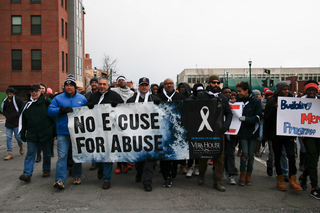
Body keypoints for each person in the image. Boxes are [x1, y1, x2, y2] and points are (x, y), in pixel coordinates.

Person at [48, 74, 87, 189]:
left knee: (77, 155)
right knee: (62, 156)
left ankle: (77, 175)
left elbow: (88, 112)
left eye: (71, 85)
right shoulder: (58, 98)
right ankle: (60, 179)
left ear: (75, 87)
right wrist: (60, 110)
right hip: (62, 132)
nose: (69, 87)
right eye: (67, 85)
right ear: (64, 87)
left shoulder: (82, 99)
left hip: (77, 132)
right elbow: (50, 111)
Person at [196, 75, 233, 192]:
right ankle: (201, 174)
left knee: (219, 156)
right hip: (204, 131)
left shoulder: (223, 98)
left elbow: (229, 113)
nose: (216, 85)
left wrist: (225, 126)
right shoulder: (201, 95)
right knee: (203, 154)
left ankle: (217, 181)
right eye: (213, 82)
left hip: (218, 132)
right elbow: (195, 110)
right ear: (208, 83)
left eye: (218, 83)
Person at [87, 76, 124, 189]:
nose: (102, 86)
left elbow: (124, 109)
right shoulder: (93, 96)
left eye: (104, 84)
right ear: (97, 85)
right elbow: (85, 111)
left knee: (108, 153)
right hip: (97, 129)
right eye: (100, 84)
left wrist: (116, 106)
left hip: (110, 130)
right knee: (98, 152)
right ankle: (100, 167)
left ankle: (106, 179)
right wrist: (88, 107)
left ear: (108, 85)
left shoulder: (115, 96)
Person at [264, 81, 302, 191]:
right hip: (276, 134)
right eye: (284, 89)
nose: (286, 91)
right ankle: (280, 179)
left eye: (287, 89)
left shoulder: (291, 101)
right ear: (279, 90)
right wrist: (274, 109)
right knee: (278, 156)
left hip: (288, 134)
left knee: (291, 155)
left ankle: (292, 179)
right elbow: (267, 119)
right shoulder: (272, 101)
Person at [126, 77, 161, 191]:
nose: (144, 87)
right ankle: (139, 173)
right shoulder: (131, 100)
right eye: (142, 85)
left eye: (146, 85)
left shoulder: (155, 99)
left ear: (149, 86)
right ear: (139, 86)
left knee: (150, 158)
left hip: (151, 134)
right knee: (139, 158)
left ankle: (147, 181)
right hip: (136, 134)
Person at [18, 85, 54, 182]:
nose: (34, 93)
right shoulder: (27, 105)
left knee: (46, 153)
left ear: (40, 91)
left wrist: (54, 131)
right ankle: (27, 174)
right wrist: (22, 133)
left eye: (36, 91)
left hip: (46, 133)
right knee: (30, 153)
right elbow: (23, 121)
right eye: (32, 91)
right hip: (32, 134)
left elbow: (53, 117)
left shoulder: (47, 102)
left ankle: (46, 170)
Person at [157, 78, 186, 187]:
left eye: (171, 83)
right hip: (163, 130)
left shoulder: (180, 97)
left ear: (174, 85)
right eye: (167, 84)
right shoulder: (158, 98)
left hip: (177, 130)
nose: (169, 85)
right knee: (164, 155)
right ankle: (166, 176)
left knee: (175, 153)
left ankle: (173, 171)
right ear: (163, 86)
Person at [236, 81, 262, 186]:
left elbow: (258, 117)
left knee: (251, 155)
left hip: (252, 132)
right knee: (244, 153)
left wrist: (246, 119)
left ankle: (249, 174)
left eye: (240, 91)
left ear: (247, 90)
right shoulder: (237, 100)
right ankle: (242, 173)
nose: (238, 93)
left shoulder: (255, 102)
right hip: (242, 132)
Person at [299, 80, 320, 199]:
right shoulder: (301, 102)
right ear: (306, 90)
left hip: (318, 133)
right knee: (312, 156)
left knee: (314, 159)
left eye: (314, 90)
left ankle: (303, 176)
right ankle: (314, 187)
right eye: (309, 90)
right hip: (307, 134)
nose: (312, 92)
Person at [111, 75, 134, 173]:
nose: (121, 82)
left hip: (128, 119)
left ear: (125, 82)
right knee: (118, 142)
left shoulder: (132, 93)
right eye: (119, 81)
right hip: (117, 119)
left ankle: (127, 162)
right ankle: (119, 164)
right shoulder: (114, 92)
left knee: (128, 142)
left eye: (122, 80)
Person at [185, 83, 205, 178]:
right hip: (192, 127)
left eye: (202, 91)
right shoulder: (189, 100)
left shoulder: (206, 100)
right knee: (191, 149)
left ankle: (197, 166)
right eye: (199, 91)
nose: (200, 93)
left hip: (202, 128)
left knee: (199, 148)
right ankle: (189, 167)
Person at [1, 86, 24, 160]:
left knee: (18, 137)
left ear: (13, 94)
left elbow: (22, 108)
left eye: (10, 94)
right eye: (8, 94)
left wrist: (17, 115)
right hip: (9, 122)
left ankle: (21, 145)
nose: (9, 95)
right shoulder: (5, 101)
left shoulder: (18, 100)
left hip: (16, 122)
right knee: (8, 137)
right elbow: (3, 110)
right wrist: (7, 115)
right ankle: (10, 152)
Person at [221, 86, 238, 185]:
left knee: (230, 153)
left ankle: (231, 174)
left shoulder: (236, 104)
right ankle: (221, 171)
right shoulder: (218, 103)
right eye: (225, 93)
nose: (228, 94)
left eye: (229, 93)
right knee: (221, 153)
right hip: (221, 131)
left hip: (231, 132)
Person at [84, 77, 99, 170]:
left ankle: (101, 161)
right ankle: (94, 162)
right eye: (92, 82)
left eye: (95, 82)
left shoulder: (100, 94)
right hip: (91, 122)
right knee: (93, 142)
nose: (94, 84)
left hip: (101, 121)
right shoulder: (87, 95)